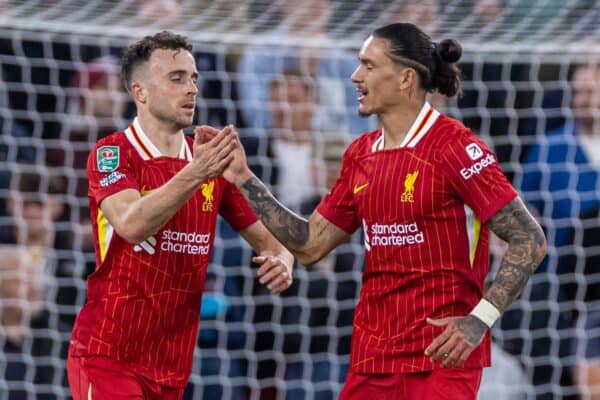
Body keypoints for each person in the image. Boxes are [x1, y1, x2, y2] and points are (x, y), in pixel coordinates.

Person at [218, 23, 548, 399]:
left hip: (440, 359)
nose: (355, 77)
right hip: (372, 358)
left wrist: (481, 319)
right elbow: (309, 246)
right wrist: (245, 178)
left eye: (369, 66)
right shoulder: (360, 154)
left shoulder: (455, 146)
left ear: (406, 78)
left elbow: (530, 238)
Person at [66, 31, 294, 400]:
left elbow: (274, 241)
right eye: (176, 78)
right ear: (140, 91)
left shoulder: (209, 162)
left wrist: (282, 259)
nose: (191, 89)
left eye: (193, 78)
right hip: (107, 356)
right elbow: (132, 224)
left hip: (171, 367)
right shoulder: (112, 153)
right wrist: (198, 172)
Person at [518, 62, 600, 400]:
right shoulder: (550, 149)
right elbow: (520, 211)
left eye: (591, 92)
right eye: (578, 92)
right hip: (562, 290)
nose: (583, 99)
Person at [237, 0, 375, 138]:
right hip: (276, 152)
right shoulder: (259, 55)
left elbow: (363, 126)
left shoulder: (347, 63)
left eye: (317, 5)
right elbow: (258, 122)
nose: (310, 7)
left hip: (338, 154)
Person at [0, 168, 70, 400]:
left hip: (56, 349)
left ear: (57, 206)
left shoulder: (75, 257)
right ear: (11, 203)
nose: (32, 211)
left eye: (39, 203)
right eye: (26, 202)